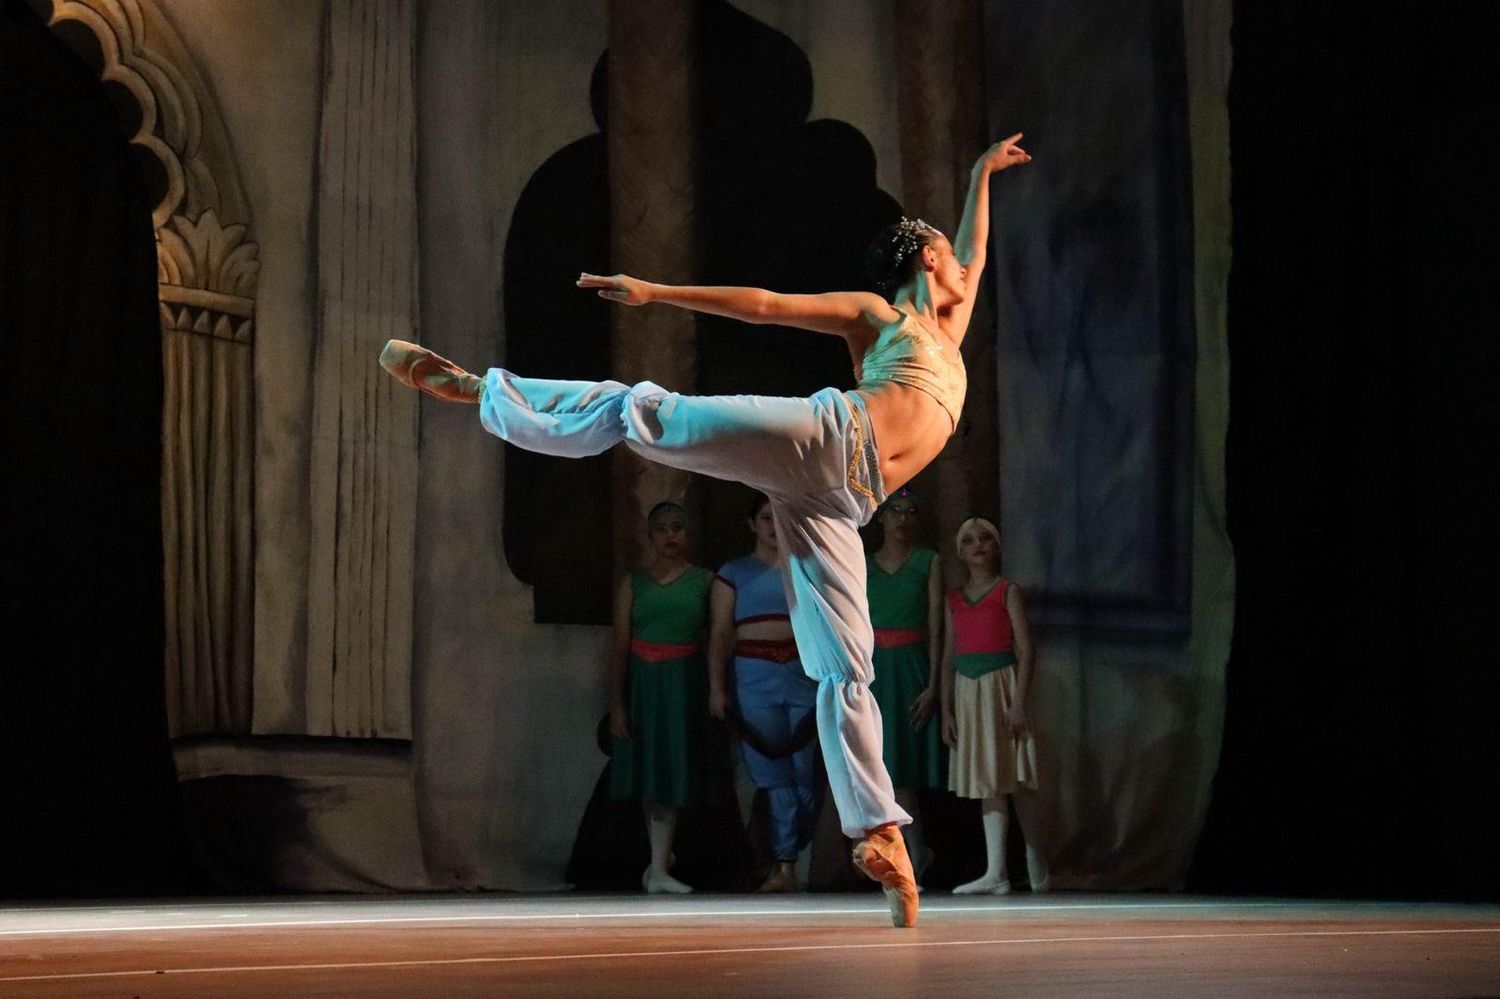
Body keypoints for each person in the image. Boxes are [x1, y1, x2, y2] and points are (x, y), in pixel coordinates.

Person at [380, 133, 1032, 927]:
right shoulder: (878, 317)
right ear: (923, 260)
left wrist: (977, 174)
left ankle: (880, 831)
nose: (962, 261)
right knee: (647, 410)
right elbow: (765, 304)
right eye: (945, 251)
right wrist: (657, 291)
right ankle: (486, 390)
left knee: (843, 664)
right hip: (827, 436)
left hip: (840, 501)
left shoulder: (951, 327)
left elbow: (976, 243)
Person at [710, 494, 823, 893]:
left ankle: (793, 854)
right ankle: (785, 865)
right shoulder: (733, 573)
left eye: (780, 516)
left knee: (805, 774)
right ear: (752, 525)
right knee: (772, 776)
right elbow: (721, 633)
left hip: (802, 675)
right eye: (765, 518)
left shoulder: (807, 569)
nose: (774, 525)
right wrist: (717, 687)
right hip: (754, 677)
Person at [606, 501, 715, 894]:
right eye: (662, 529)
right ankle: (657, 865)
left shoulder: (704, 581)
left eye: (678, 528)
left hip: (683, 684)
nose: (670, 536)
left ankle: (659, 862)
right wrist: (616, 703)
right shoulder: (632, 583)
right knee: (649, 771)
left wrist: (714, 690)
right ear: (650, 536)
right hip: (645, 687)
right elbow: (620, 645)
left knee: (675, 770)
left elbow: (715, 641)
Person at [940, 516, 1049, 894]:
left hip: (1001, 686)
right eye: (969, 540)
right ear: (960, 552)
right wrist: (947, 708)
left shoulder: (1007, 591)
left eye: (985, 538)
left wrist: (1018, 701)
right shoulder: (954, 599)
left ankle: (1037, 860)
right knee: (989, 780)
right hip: (968, 690)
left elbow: (1026, 647)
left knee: (1015, 776)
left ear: (996, 546)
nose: (978, 545)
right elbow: (949, 655)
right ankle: (996, 871)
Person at [865, 487, 945, 882]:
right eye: (894, 510)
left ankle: (914, 851)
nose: (902, 518)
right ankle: (907, 851)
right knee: (882, 765)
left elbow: (935, 626)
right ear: (880, 516)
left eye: (910, 511)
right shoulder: (864, 564)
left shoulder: (928, 562)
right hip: (877, 669)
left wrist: (933, 685)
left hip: (911, 665)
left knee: (905, 765)